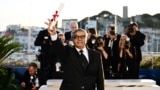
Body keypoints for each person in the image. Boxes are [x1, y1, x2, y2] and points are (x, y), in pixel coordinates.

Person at [47, 20, 104, 90]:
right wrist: (53, 34)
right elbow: (58, 47)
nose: (79, 38)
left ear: (86, 39)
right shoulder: (67, 52)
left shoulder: (96, 55)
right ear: (73, 39)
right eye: (76, 36)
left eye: (82, 36)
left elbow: (100, 80)